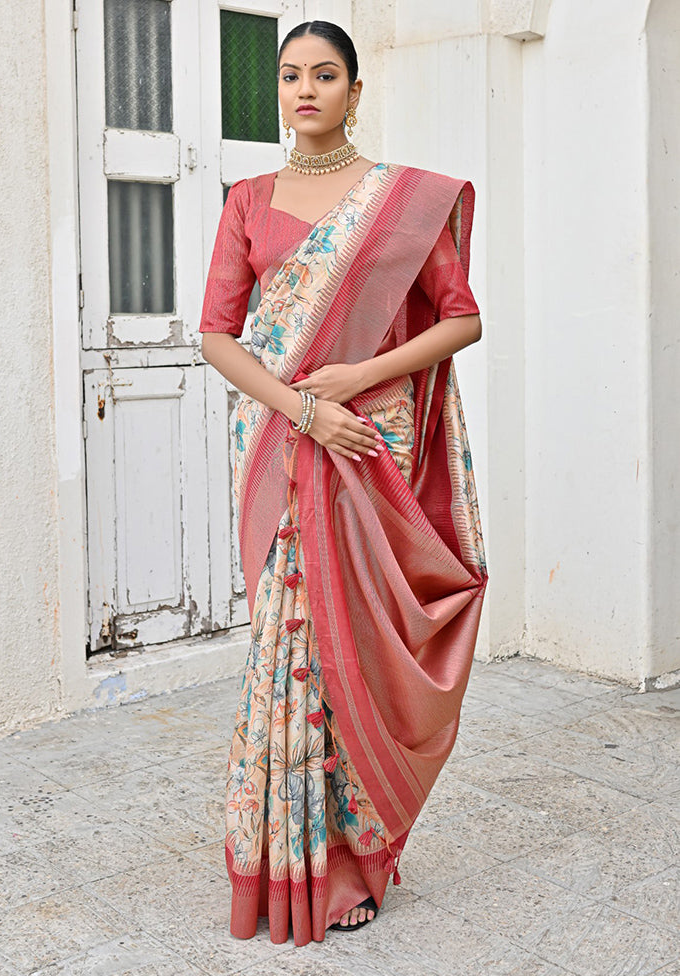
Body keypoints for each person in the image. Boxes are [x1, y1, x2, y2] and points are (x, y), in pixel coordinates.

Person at [200, 20, 488, 947]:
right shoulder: (245, 201)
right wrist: (301, 410)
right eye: (291, 76)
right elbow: (215, 336)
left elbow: (462, 320)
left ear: (355, 91)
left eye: (326, 75)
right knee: (288, 653)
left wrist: (357, 383)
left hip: (364, 449)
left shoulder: (397, 202)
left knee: (352, 648)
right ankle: (287, 858)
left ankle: (358, 861)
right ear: (277, 92)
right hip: (288, 454)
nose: (306, 90)